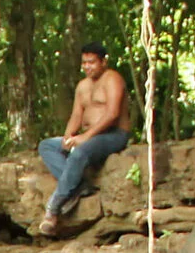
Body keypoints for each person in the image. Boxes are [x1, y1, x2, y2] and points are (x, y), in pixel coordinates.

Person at [35, 45, 132, 234]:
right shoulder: (83, 86)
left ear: (103, 61)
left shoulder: (113, 79)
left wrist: (85, 138)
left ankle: (53, 208)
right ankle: (78, 185)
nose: (88, 67)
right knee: (47, 146)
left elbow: (112, 114)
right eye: (84, 63)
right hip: (87, 137)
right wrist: (68, 137)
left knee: (80, 152)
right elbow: (76, 115)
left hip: (113, 135)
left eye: (92, 62)